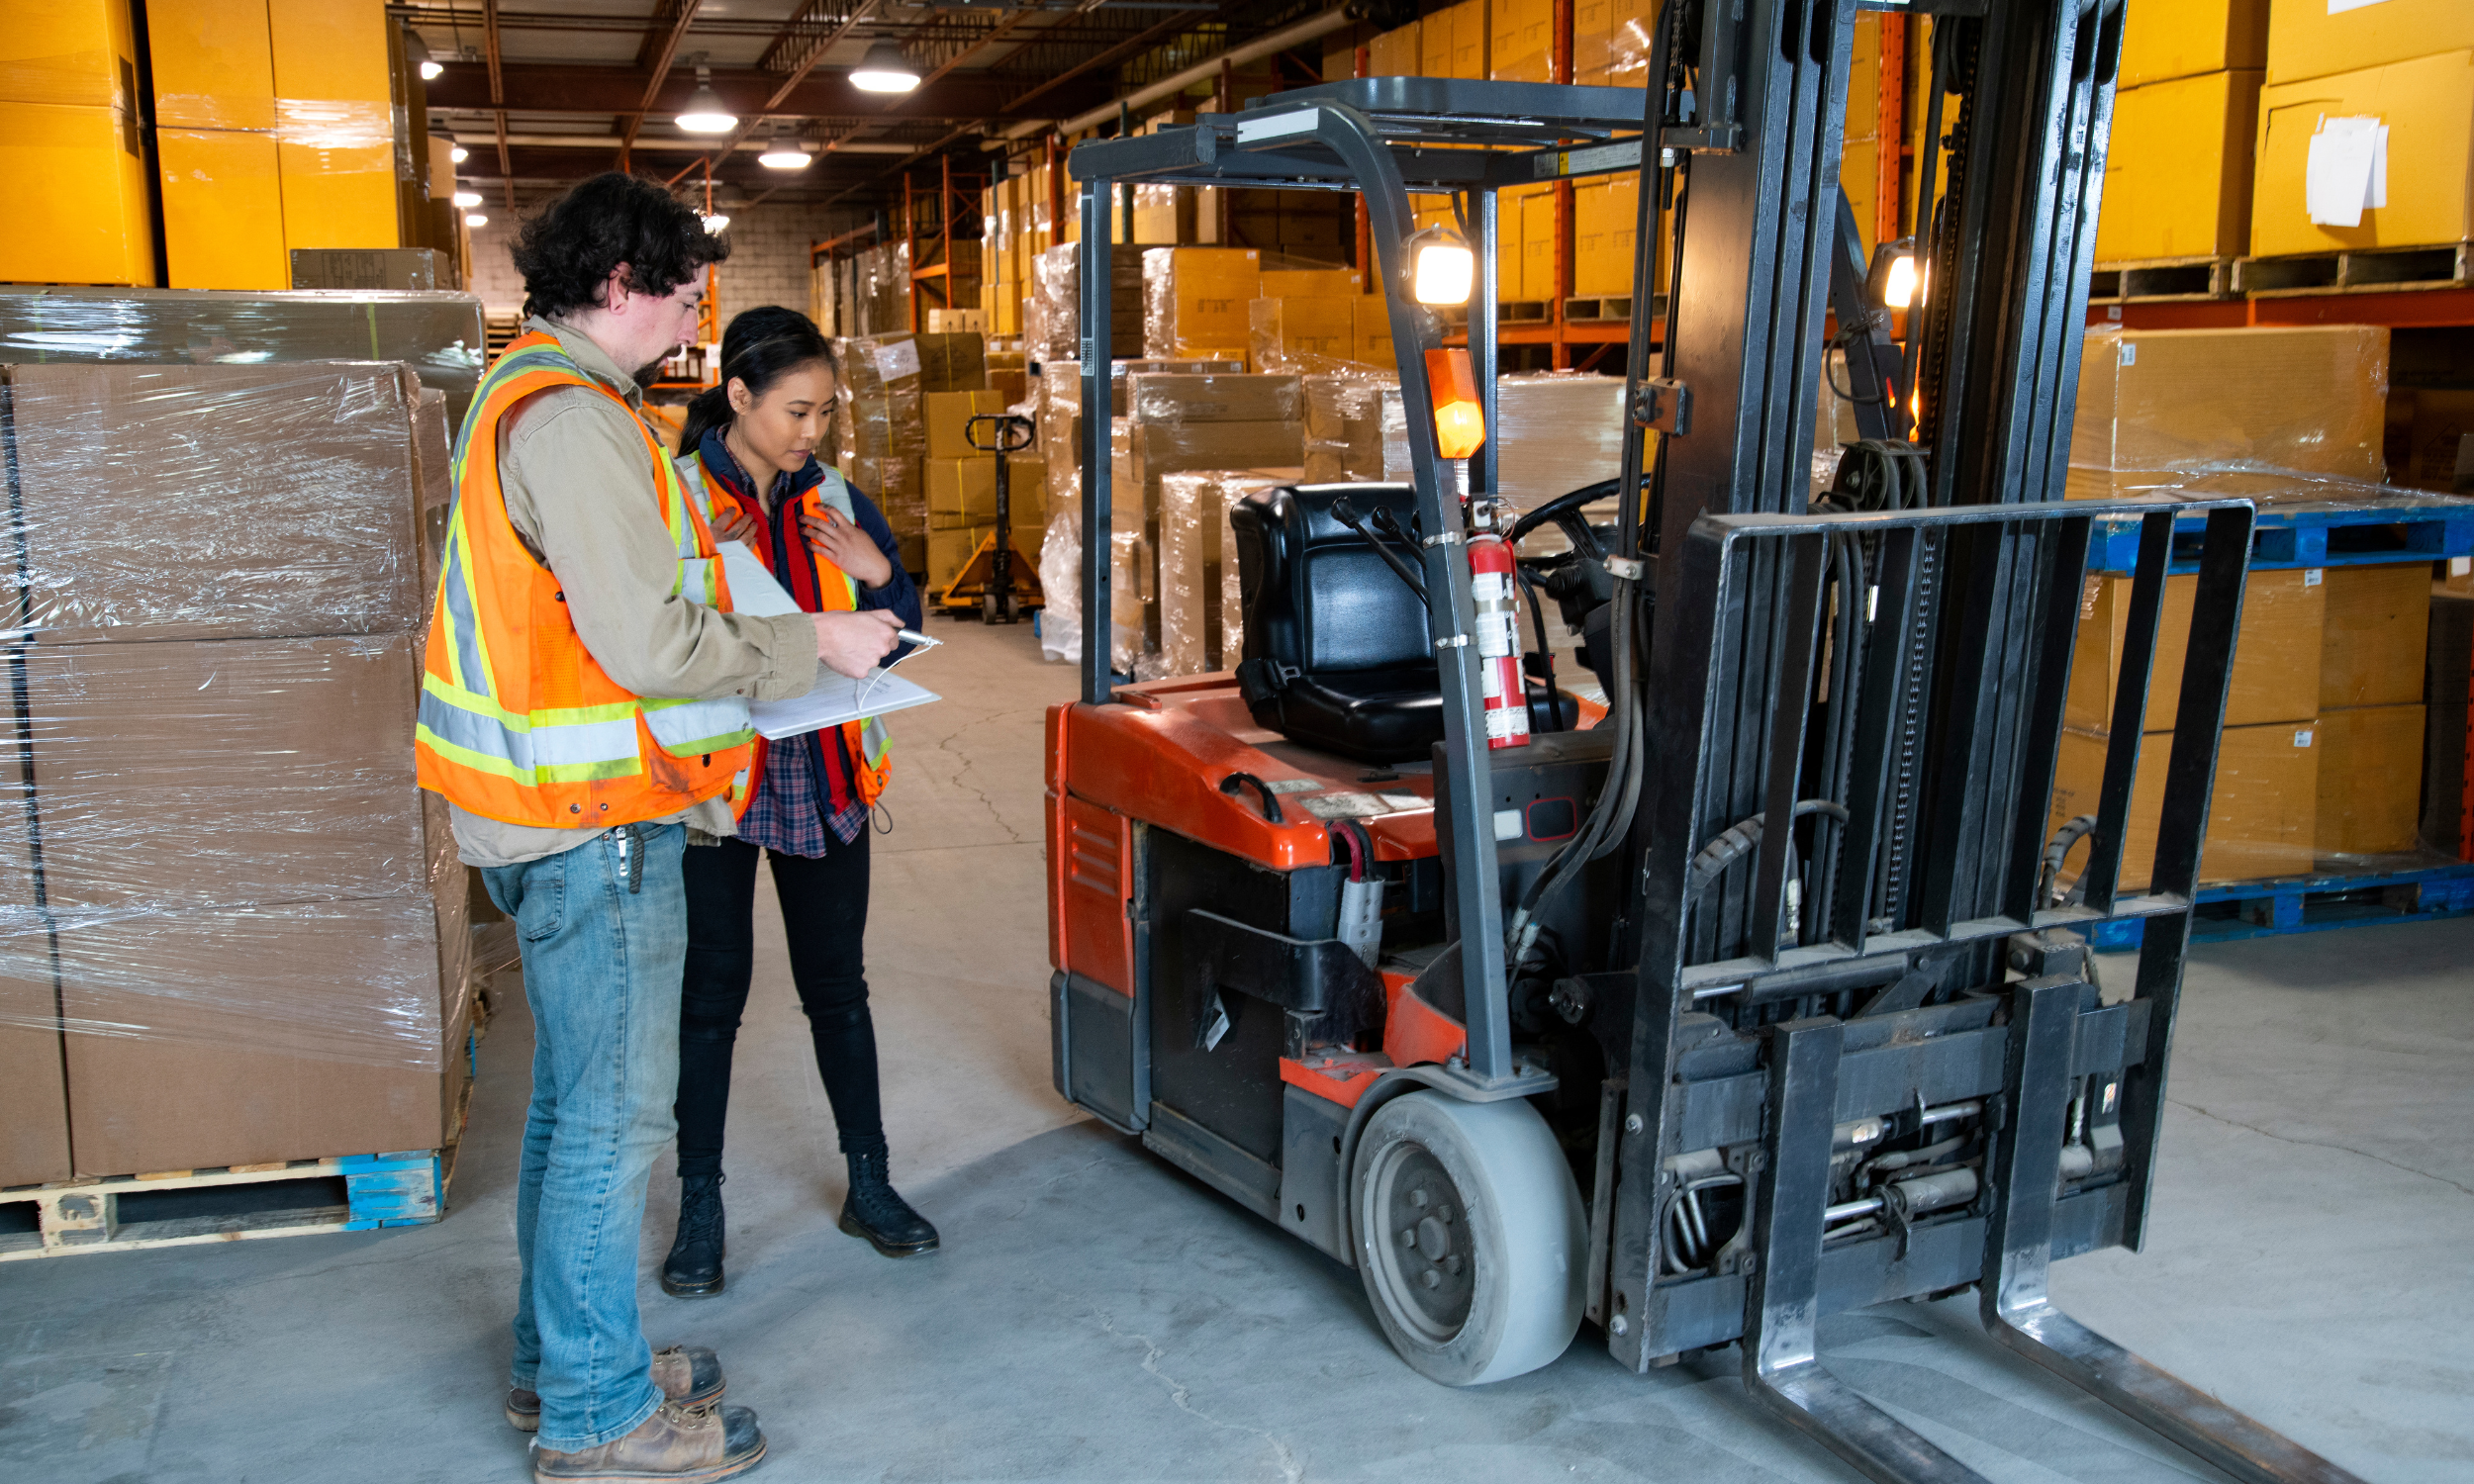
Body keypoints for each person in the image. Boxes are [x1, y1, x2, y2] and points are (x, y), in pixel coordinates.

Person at [415, 173, 900, 1483]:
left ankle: (560, 1362)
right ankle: (598, 1419)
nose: (696, 315)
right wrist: (816, 641)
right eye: (685, 291)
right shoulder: (569, 419)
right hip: (594, 826)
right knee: (614, 1124)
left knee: (576, 1112)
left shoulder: (549, 397)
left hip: (554, 816)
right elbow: (647, 641)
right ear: (622, 285)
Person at [659, 306, 939, 1302]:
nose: (811, 431)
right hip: (718, 788)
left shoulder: (836, 497)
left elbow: (893, 634)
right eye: (794, 411)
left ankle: (869, 1182)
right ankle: (702, 1206)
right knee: (709, 1005)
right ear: (737, 396)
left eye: (823, 412)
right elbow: (643, 642)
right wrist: (699, 570)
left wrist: (885, 577)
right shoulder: (676, 496)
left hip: (823, 775)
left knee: (838, 989)